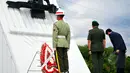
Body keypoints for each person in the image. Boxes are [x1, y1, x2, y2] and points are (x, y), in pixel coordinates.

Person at [52, 9, 70, 73]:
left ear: (59, 16)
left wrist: (54, 45)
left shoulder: (56, 24)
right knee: (65, 58)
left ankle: (61, 71)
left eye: (57, 16)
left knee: (59, 58)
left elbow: (54, 35)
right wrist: (68, 45)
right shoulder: (67, 25)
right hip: (65, 43)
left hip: (58, 43)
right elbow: (68, 36)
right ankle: (66, 70)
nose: (56, 17)